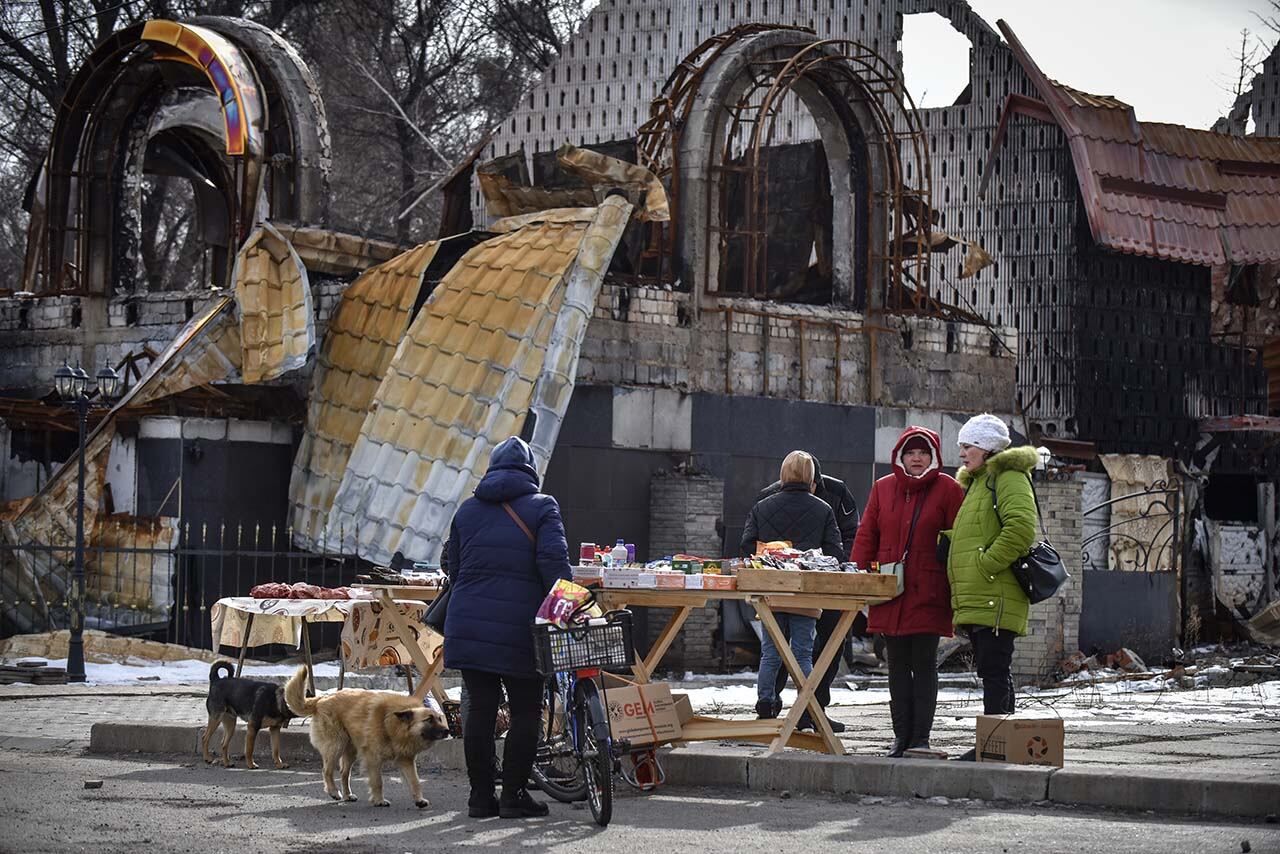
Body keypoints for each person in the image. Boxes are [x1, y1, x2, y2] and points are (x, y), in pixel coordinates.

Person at [444, 436, 571, 818]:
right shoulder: (543, 507)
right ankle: (514, 795)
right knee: (526, 710)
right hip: (521, 628)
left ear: (491, 469)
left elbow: (454, 568)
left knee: (479, 711)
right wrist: (570, 607)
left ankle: (480, 798)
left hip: (467, 622)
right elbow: (554, 566)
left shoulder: (467, 511)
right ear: (530, 471)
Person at [850, 427, 963, 757]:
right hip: (890, 590)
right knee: (895, 665)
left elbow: (959, 538)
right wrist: (858, 575)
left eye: (924, 453)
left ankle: (920, 739)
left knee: (924, 664)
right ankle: (901, 737)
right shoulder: (883, 488)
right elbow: (866, 535)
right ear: (901, 455)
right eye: (911, 452)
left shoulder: (948, 489)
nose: (917, 458)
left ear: (934, 457)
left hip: (929, 590)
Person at [945, 414, 1038, 761]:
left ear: (986, 448)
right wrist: (949, 543)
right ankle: (1000, 743)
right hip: (984, 594)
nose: (962, 453)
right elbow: (978, 532)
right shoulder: (978, 482)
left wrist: (984, 564)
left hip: (996, 593)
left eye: (967, 446)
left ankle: (994, 745)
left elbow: (1020, 529)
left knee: (995, 671)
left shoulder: (1008, 477)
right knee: (992, 669)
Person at [756, 455, 860, 732]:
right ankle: (796, 708)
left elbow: (851, 536)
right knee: (797, 650)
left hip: (814, 586)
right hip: (813, 585)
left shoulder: (835, 492)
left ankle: (804, 709)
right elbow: (840, 543)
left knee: (807, 648)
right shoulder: (777, 497)